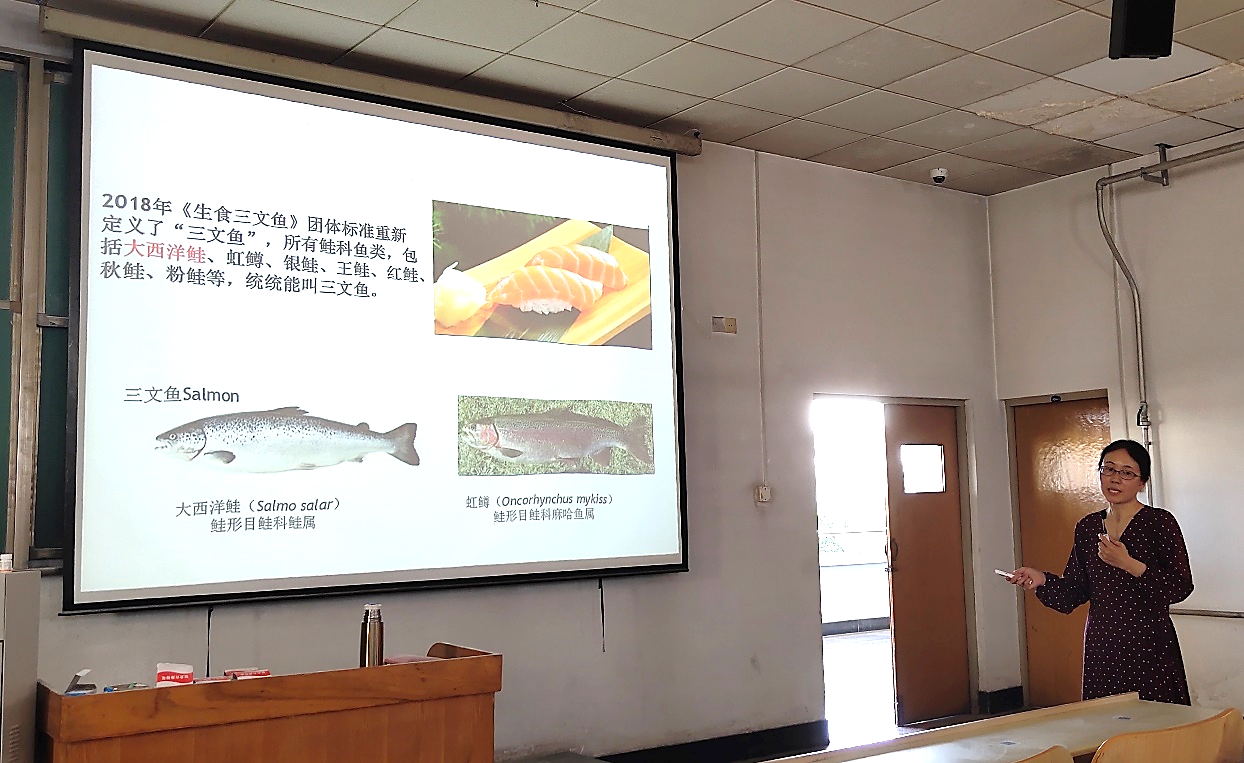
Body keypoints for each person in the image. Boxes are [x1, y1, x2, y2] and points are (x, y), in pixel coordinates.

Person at [1008, 439, 1193, 704]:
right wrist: (1041, 580)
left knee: (1157, 720)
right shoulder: (1088, 527)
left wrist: (1129, 564)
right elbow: (1074, 592)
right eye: (1109, 469)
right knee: (1106, 719)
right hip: (1102, 644)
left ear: (1142, 482)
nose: (1115, 479)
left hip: (1149, 642)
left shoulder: (1159, 523)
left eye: (1127, 473)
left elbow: (1180, 587)